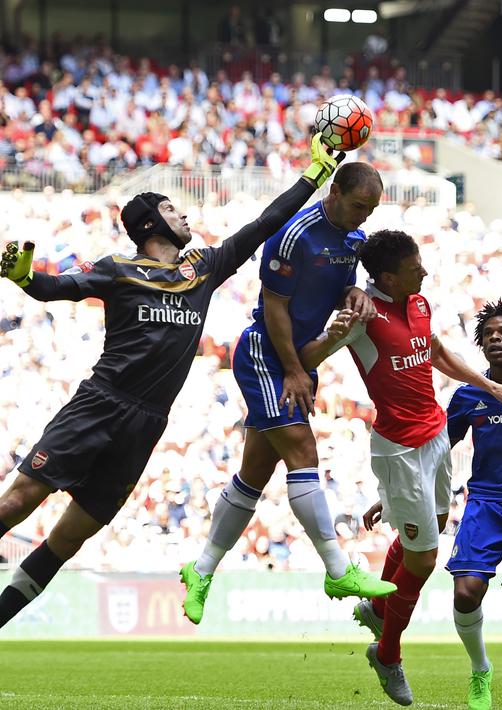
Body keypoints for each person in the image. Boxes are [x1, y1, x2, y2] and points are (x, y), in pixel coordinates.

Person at [0, 135, 343, 659]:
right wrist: (24, 279)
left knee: (69, 539)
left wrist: (312, 177)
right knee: (17, 502)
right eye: (173, 209)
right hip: (99, 404)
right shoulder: (118, 269)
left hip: (146, 425)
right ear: (151, 223)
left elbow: (264, 224)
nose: (184, 215)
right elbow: (56, 286)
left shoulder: (202, 269)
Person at [296, 231, 502, 706]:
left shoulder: (419, 304)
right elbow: (309, 357)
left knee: (425, 536)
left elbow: (439, 353)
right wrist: (335, 334)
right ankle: (387, 653)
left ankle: (379, 607)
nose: (423, 271)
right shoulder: (363, 316)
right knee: (424, 559)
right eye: (414, 266)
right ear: (387, 276)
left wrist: (493, 388)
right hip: (398, 450)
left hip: (435, 438)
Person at [179, 160, 395, 626]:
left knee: (254, 474)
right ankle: (338, 570)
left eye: (372, 209)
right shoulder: (295, 235)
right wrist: (295, 371)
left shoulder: (353, 242)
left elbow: (330, 292)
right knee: (302, 450)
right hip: (265, 355)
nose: (364, 217)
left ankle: (199, 571)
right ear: (334, 192)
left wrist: (354, 295)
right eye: (359, 205)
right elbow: (274, 308)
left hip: (299, 361)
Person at [364, 299, 502, 710]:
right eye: (488, 334)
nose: (495, 339)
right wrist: (389, 494)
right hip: (485, 503)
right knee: (466, 594)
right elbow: (433, 450)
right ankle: (481, 671)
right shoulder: (469, 395)